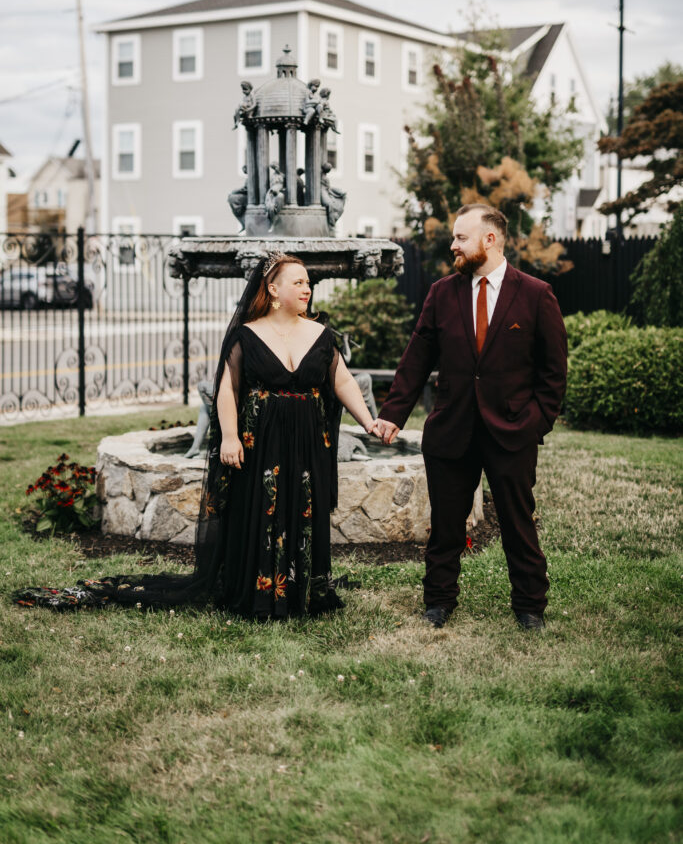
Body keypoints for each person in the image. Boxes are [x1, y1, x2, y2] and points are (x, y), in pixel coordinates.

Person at [13, 253, 381, 619]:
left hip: (306, 441)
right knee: (260, 511)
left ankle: (305, 592)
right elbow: (227, 389)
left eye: (308, 282)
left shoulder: (320, 333)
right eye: (298, 281)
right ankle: (260, 594)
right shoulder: (247, 334)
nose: (307, 287)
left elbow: (342, 380)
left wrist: (369, 422)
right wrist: (231, 437)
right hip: (262, 441)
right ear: (272, 289)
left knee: (302, 509)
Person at [376, 204, 567, 631]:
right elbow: (417, 356)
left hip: (512, 432)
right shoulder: (443, 292)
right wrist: (393, 414)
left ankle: (530, 606)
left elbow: (553, 373)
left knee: (518, 523)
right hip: (452, 429)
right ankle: (439, 602)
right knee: (445, 525)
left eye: (461, 237)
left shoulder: (537, 294)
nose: (453, 245)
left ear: (490, 239)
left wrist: (536, 422)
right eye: (454, 238)